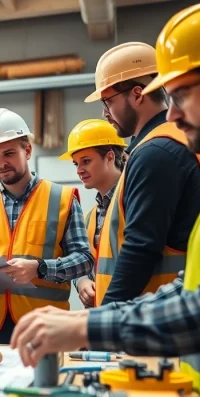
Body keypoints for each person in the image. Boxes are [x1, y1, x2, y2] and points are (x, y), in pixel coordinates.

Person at [10, 0, 200, 397]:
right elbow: (194, 284)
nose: (170, 113)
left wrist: (89, 326)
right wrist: (93, 322)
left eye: (180, 95)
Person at [83, 41, 200, 306]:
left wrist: (102, 321)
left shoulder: (156, 152)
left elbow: (141, 248)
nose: (105, 112)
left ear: (137, 94)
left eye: (108, 100)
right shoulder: (176, 140)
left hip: (155, 322)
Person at [0, 108, 94, 344]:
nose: (2, 163)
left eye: (9, 153)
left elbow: (84, 260)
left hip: (46, 325)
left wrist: (39, 268)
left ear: (28, 150)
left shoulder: (62, 198)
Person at [59, 119, 126, 308]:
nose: (79, 170)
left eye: (86, 161)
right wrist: (81, 282)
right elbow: (84, 263)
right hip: (103, 317)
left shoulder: (132, 201)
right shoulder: (89, 218)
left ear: (110, 157)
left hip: (133, 312)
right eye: (76, 164)